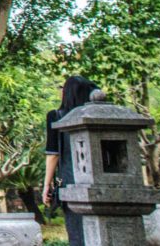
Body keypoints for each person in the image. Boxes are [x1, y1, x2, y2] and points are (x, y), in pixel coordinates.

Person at [43, 75, 99, 245]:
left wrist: (47, 185)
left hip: (71, 180)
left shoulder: (56, 116)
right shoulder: (96, 115)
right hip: (98, 181)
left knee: (76, 231)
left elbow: (53, 154)